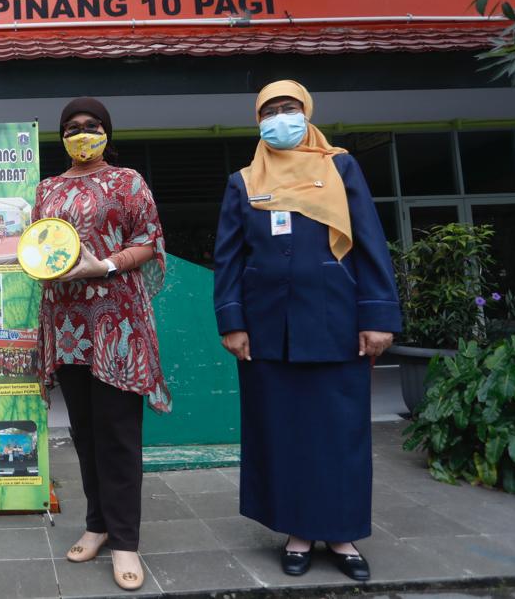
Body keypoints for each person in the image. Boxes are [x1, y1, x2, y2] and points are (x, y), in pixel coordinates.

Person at [212, 80, 400, 581]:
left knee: (340, 433)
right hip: (267, 331)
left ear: (307, 111)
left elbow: (369, 243)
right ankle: (296, 531)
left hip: (336, 324)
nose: (280, 118)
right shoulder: (244, 181)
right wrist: (233, 321)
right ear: (258, 120)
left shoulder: (340, 167)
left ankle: (341, 534)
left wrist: (378, 317)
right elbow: (229, 258)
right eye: (269, 110)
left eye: (288, 107)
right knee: (282, 432)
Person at [34, 97, 170, 592]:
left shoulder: (128, 181)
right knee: (85, 432)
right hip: (67, 325)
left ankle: (126, 541)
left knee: (117, 433)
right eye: (72, 127)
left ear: (107, 133)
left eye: (92, 126)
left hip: (117, 323)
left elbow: (148, 240)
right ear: (62, 136)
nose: (82, 133)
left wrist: (105, 265)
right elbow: (41, 245)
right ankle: (97, 525)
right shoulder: (47, 188)